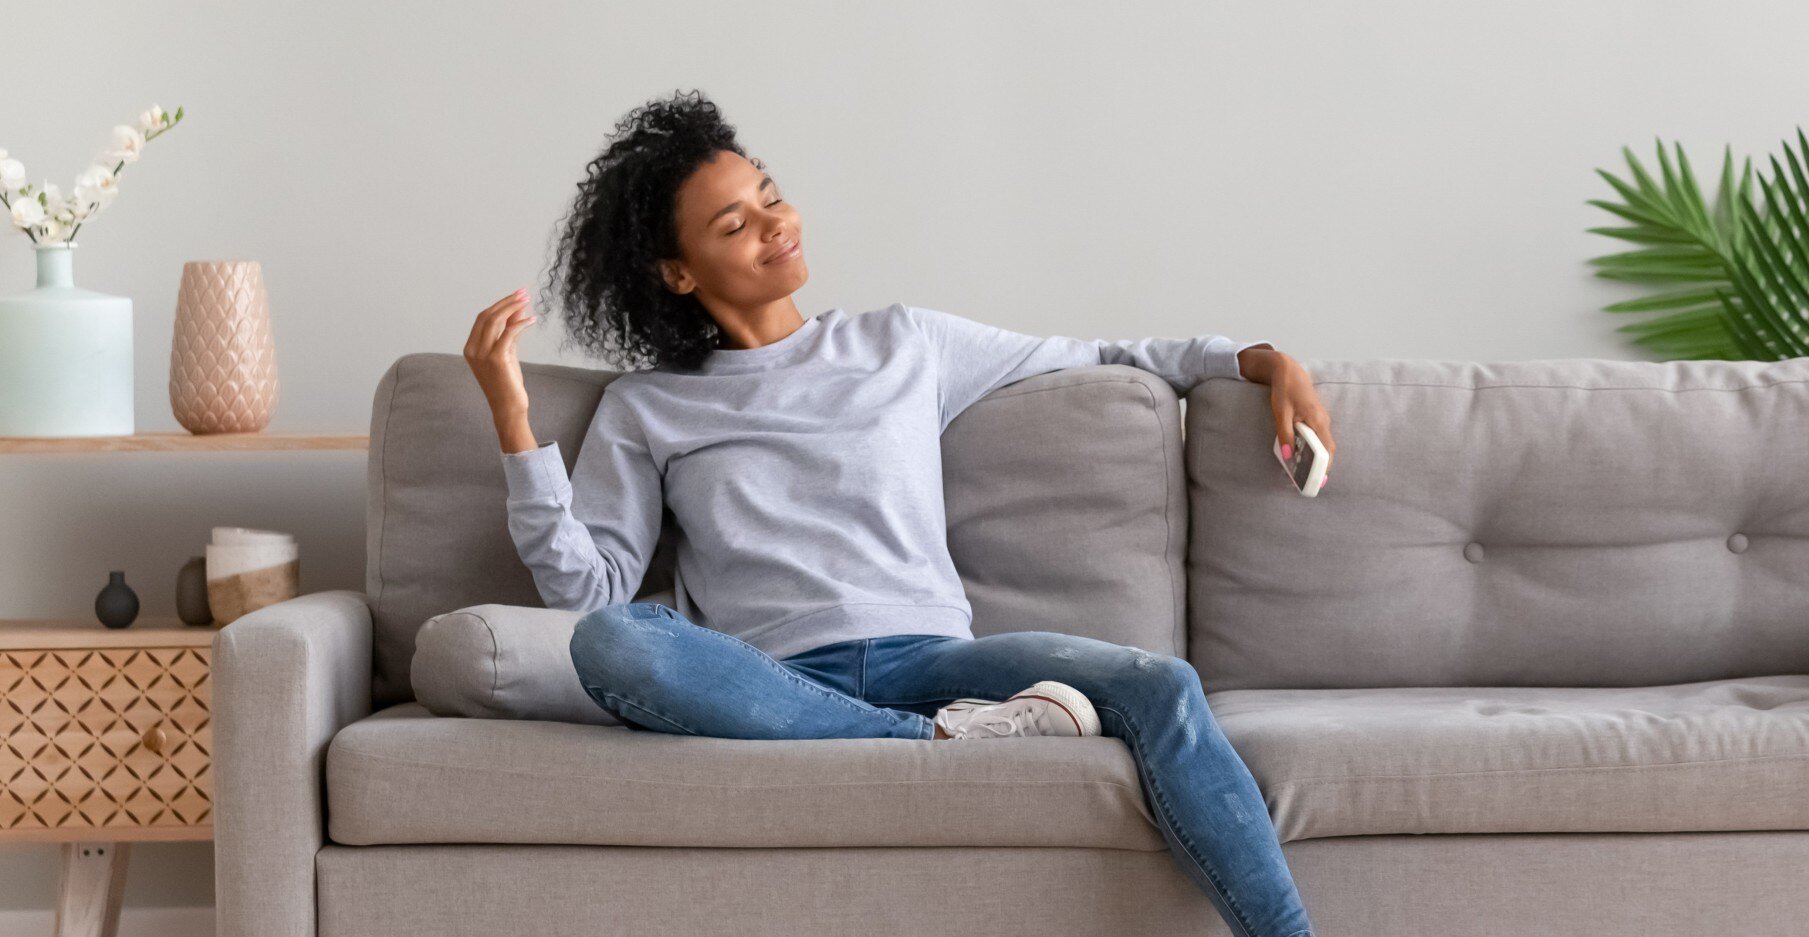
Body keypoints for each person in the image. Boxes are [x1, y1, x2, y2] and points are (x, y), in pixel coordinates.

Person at [459, 89, 1335, 937]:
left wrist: (1261, 362)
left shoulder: (902, 343)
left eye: (769, 196)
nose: (775, 224)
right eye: (734, 224)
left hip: (939, 659)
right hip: (773, 681)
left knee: (1164, 685)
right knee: (612, 642)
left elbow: (1105, 353)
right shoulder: (650, 407)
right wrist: (512, 417)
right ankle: (943, 740)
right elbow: (588, 588)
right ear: (677, 272)